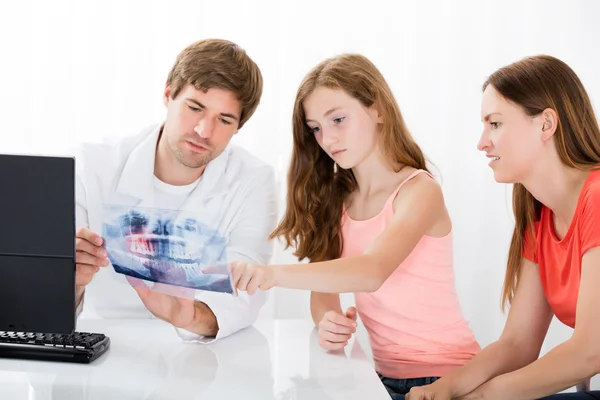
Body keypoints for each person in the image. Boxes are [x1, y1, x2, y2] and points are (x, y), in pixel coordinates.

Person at [230, 53, 480, 399]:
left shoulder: (419, 191)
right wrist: (327, 320)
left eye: (338, 119)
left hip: (450, 377)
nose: (327, 138)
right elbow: (324, 292)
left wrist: (270, 274)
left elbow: (371, 271)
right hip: (382, 378)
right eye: (316, 128)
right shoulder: (338, 200)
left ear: (377, 109)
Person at [404, 55, 600, 399]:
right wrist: (444, 390)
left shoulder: (597, 198)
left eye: (494, 123)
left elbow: (590, 350)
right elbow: (518, 343)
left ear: (546, 124)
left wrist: (483, 396)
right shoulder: (539, 219)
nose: (482, 142)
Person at [74, 38, 278, 343]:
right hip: (105, 344)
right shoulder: (91, 167)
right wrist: (70, 281)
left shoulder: (254, 181)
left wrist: (190, 316)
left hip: (201, 355)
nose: (203, 131)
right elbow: (43, 297)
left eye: (224, 119)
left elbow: (246, 284)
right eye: (195, 108)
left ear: (239, 127)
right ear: (169, 94)